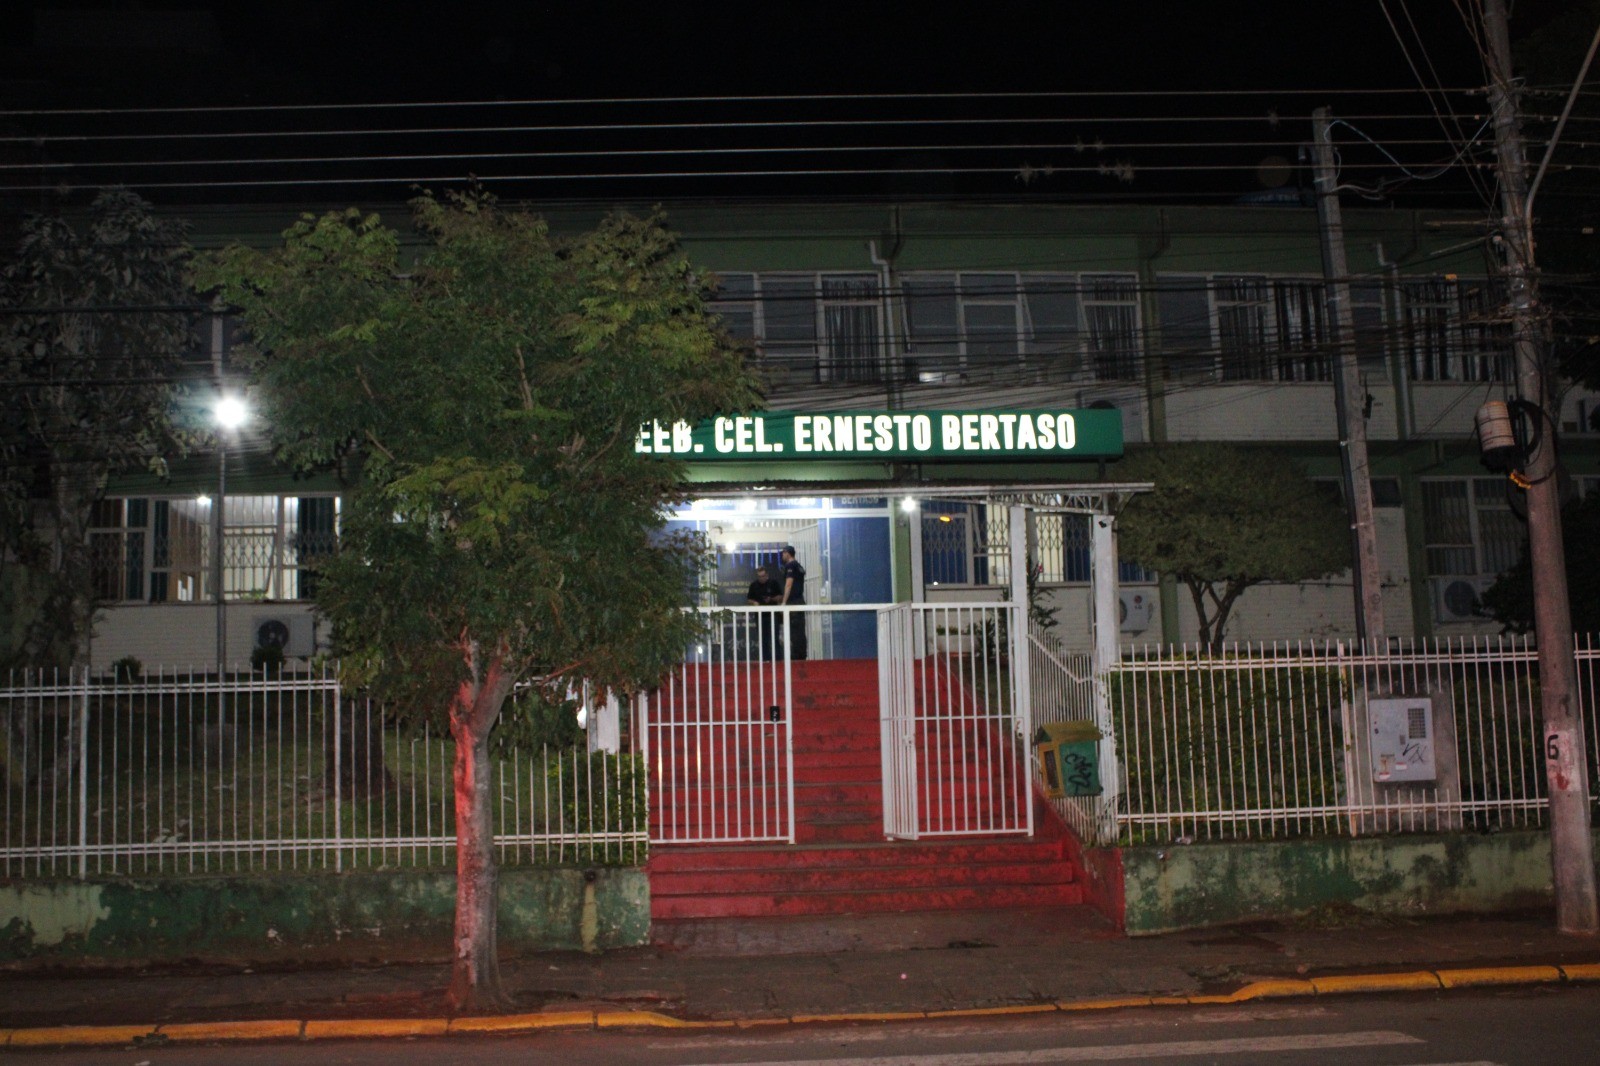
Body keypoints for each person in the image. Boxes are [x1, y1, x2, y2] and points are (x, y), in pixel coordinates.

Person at [745, 565, 783, 660]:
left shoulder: (773, 583)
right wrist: (754, 602)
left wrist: (772, 599)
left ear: (767, 575)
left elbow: (780, 597)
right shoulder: (754, 585)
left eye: (763, 576)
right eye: (759, 576)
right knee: (763, 639)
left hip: (773, 615)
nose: (761, 578)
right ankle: (765, 660)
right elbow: (749, 599)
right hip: (760, 616)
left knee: (774, 638)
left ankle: (777, 660)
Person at [779, 545, 808, 661]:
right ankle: (802, 656)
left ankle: (797, 658)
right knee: (800, 630)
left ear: (788, 553)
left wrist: (784, 603)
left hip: (793, 603)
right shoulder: (798, 565)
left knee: (794, 631)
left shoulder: (790, 565)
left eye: (783, 553)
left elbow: (789, 584)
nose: (782, 556)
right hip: (799, 601)